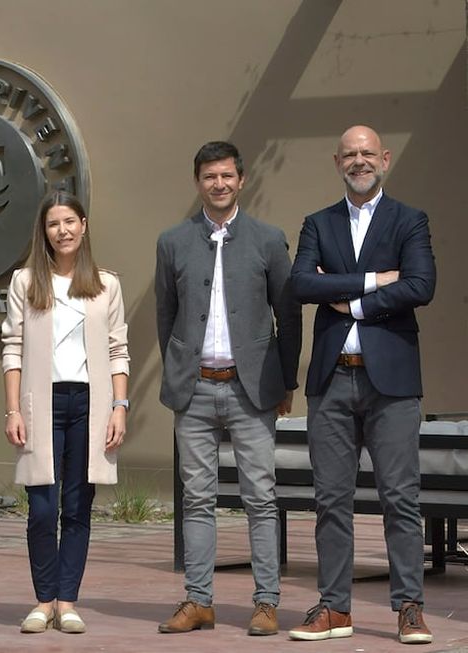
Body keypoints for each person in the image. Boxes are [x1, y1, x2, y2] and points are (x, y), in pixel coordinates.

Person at [287, 125, 436, 645]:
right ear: (337, 162)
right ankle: (334, 608)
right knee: (330, 500)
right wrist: (376, 281)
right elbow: (301, 283)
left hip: (391, 383)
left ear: (385, 158)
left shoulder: (409, 220)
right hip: (331, 380)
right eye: (349, 154)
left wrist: (349, 300)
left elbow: (421, 285)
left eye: (367, 153)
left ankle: (409, 608)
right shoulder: (318, 223)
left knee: (400, 497)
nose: (359, 161)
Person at [155, 141, 301, 636]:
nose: (218, 184)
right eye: (209, 177)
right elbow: (165, 315)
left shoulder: (267, 239)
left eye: (226, 176)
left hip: (252, 389)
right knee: (196, 499)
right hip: (194, 389)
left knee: (260, 497)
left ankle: (266, 602)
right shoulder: (173, 241)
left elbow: (289, 315)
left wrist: (286, 381)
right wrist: (179, 371)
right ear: (197, 182)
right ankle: (198, 601)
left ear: (241, 180)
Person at [1, 191, 130, 635]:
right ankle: (43, 600)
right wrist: (12, 409)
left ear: (84, 225)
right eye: (54, 223)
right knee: (42, 507)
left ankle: (67, 601)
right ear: (45, 231)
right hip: (43, 405)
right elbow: (12, 349)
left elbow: (118, 350)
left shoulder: (107, 284)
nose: (63, 230)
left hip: (89, 407)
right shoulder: (24, 282)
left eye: (70, 221)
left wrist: (119, 406)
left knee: (78, 507)